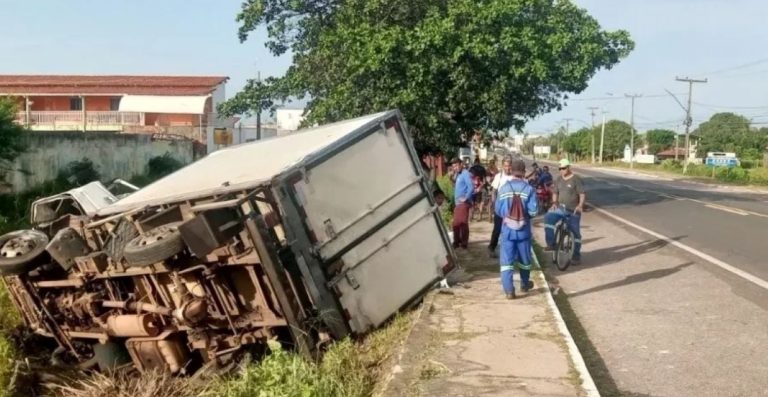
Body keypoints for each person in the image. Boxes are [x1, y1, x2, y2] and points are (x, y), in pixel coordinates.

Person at [495, 159, 537, 299]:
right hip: (523, 231)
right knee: (524, 260)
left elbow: (498, 210)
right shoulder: (529, 189)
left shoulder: (504, 188)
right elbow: (533, 211)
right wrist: (524, 216)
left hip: (507, 231)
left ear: (511, 171)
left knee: (506, 262)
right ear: (524, 172)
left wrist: (507, 216)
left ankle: (509, 291)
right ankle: (524, 284)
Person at [544, 159, 586, 265]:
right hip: (560, 209)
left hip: (573, 211)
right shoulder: (558, 179)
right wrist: (554, 203)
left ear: (568, 167)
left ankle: (576, 256)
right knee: (548, 218)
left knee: (576, 234)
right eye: (560, 168)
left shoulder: (576, 179)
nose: (561, 170)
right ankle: (551, 244)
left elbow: (582, 194)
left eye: (563, 168)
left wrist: (580, 205)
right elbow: (555, 193)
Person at [487, 155, 515, 258]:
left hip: (512, 209)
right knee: (498, 229)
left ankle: (510, 251)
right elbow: (494, 192)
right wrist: (495, 204)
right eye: (506, 166)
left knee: (511, 230)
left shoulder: (514, 177)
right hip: (500, 208)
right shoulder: (499, 177)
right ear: (503, 166)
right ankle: (491, 247)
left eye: (509, 166)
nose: (508, 168)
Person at [451, 158, 476, 249]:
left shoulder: (465, 173)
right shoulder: (458, 174)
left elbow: (471, 187)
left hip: (463, 203)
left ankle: (463, 243)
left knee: (461, 223)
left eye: (456, 165)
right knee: (457, 223)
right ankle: (458, 241)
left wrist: (466, 197)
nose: (455, 168)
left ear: (461, 164)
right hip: (458, 203)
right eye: (454, 166)